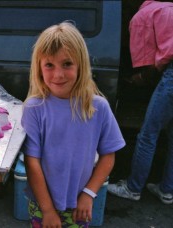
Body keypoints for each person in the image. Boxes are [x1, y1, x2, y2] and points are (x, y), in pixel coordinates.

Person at [21, 22, 125, 227]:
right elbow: (32, 161)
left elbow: (108, 155)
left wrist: (89, 193)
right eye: (49, 65)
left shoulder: (98, 107)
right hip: (42, 205)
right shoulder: (34, 108)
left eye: (67, 64)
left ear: (81, 65)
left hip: (80, 204)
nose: (58, 74)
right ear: (39, 68)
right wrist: (48, 209)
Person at [107, 0, 173, 205]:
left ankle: (132, 188)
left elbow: (158, 59)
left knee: (148, 134)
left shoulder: (144, 16)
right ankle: (167, 190)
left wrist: (141, 78)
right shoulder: (168, 9)